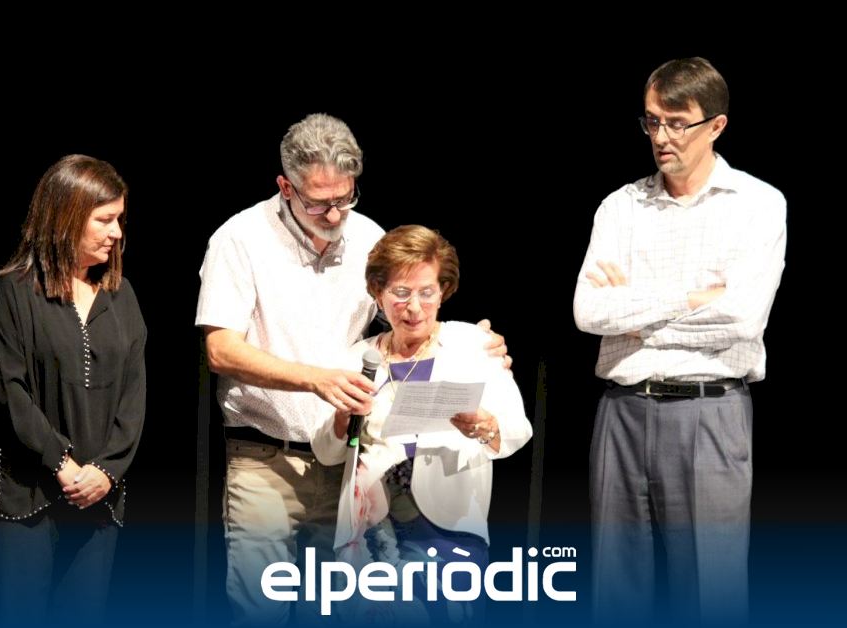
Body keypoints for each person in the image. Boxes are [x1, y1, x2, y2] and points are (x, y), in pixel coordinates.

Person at [195, 113, 509, 625]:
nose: (336, 213)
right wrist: (315, 379)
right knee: (260, 608)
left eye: (346, 197)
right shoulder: (240, 239)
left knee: (343, 609)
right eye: (320, 202)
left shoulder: (367, 237)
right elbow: (222, 351)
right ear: (286, 187)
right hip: (266, 459)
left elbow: (408, 322)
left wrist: (474, 342)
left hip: (348, 465)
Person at [573, 58, 786, 625]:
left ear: (715, 125)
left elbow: (742, 318)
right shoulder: (620, 206)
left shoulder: (757, 204)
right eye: (651, 121)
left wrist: (635, 311)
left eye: (676, 122)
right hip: (622, 412)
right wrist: (692, 298)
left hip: (708, 411)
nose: (661, 137)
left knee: (709, 595)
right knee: (615, 595)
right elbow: (589, 312)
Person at [311, 225, 532, 624]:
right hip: (371, 530)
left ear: (443, 291)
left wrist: (485, 425)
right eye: (401, 292)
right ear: (378, 292)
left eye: (427, 292)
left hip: (451, 526)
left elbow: (517, 429)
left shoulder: (471, 344)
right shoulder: (357, 358)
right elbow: (325, 452)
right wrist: (343, 416)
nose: (414, 307)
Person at [0, 154, 147, 626]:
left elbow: (134, 396)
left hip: (98, 495)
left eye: (119, 219)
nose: (116, 232)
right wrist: (61, 462)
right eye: (104, 220)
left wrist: (106, 470)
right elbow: (9, 390)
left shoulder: (122, 296)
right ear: (67, 216)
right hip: (29, 493)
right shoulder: (18, 290)